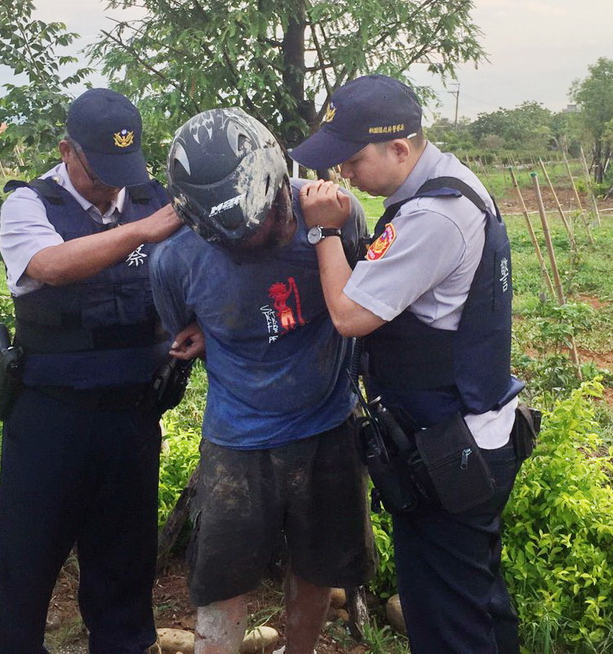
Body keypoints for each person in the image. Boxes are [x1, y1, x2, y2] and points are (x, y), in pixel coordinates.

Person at [292, 74, 531, 654]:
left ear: (400, 149)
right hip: (471, 430)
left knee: (444, 620)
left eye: (351, 160)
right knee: (475, 599)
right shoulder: (452, 183)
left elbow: (350, 315)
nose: (343, 173)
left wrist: (324, 230)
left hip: (450, 447)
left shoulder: (433, 217)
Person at [149, 107, 373, 654]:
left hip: (327, 424)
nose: (250, 246)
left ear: (277, 189)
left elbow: (368, 298)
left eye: (262, 231)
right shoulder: (175, 260)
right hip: (238, 435)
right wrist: (204, 326)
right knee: (221, 577)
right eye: (231, 244)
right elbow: (182, 322)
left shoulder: (336, 216)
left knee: (318, 566)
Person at [0, 87, 194, 654]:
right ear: (67, 151)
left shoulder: (155, 197)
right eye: (100, 169)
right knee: (28, 561)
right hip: (50, 415)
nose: (112, 183)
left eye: (122, 170)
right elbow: (47, 266)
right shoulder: (30, 203)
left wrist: (197, 323)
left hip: (133, 414)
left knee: (125, 567)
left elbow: (198, 269)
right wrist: (139, 231)